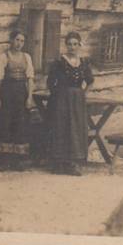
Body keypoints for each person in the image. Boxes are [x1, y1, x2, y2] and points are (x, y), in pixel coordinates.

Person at [45, 32, 94, 176]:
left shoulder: (84, 63)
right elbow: (50, 82)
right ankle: (59, 163)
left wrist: (82, 93)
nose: (72, 47)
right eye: (69, 44)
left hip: (77, 100)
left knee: (75, 129)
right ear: (65, 45)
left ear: (79, 45)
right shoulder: (59, 63)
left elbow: (90, 81)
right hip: (61, 100)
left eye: (75, 44)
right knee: (61, 128)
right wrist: (59, 95)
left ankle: (73, 163)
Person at [0, 30, 35, 169]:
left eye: (22, 41)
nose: (19, 44)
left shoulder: (27, 57)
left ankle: (18, 160)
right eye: (17, 40)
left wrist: (29, 97)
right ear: (11, 40)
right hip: (7, 92)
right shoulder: (4, 57)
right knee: (6, 123)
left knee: (20, 123)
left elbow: (30, 79)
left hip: (21, 93)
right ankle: (5, 160)